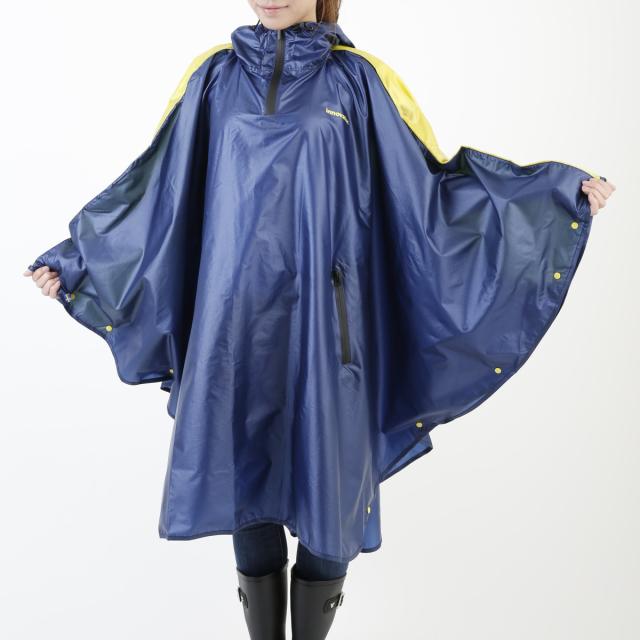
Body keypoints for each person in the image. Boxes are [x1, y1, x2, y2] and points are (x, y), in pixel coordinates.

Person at [23, 1, 616, 639]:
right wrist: (79, 261)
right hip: (234, 324)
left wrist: (552, 193)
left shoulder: (360, 80)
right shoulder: (212, 79)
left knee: (331, 487)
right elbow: (156, 190)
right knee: (247, 479)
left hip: (331, 330)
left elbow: (431, 193)